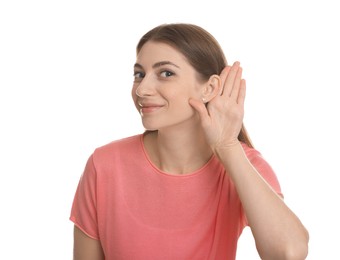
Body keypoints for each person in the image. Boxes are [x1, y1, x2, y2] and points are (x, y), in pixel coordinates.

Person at [70, 23, 309, 260]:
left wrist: (227, 147)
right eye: (139, 74)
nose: (142, 89)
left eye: (166, 73)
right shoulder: (104, 165)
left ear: (210, 88)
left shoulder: (241, 164)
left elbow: (289, 253)